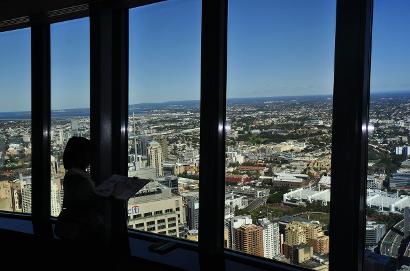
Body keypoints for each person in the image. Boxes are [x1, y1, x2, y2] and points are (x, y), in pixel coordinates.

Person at [55, 137, 108, 264]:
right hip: (82, 234)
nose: (91, 158)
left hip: (77, 231)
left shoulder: (74, 175)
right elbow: (86, 205)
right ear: (81, 155)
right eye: (88, 154)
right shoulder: (78, 179)